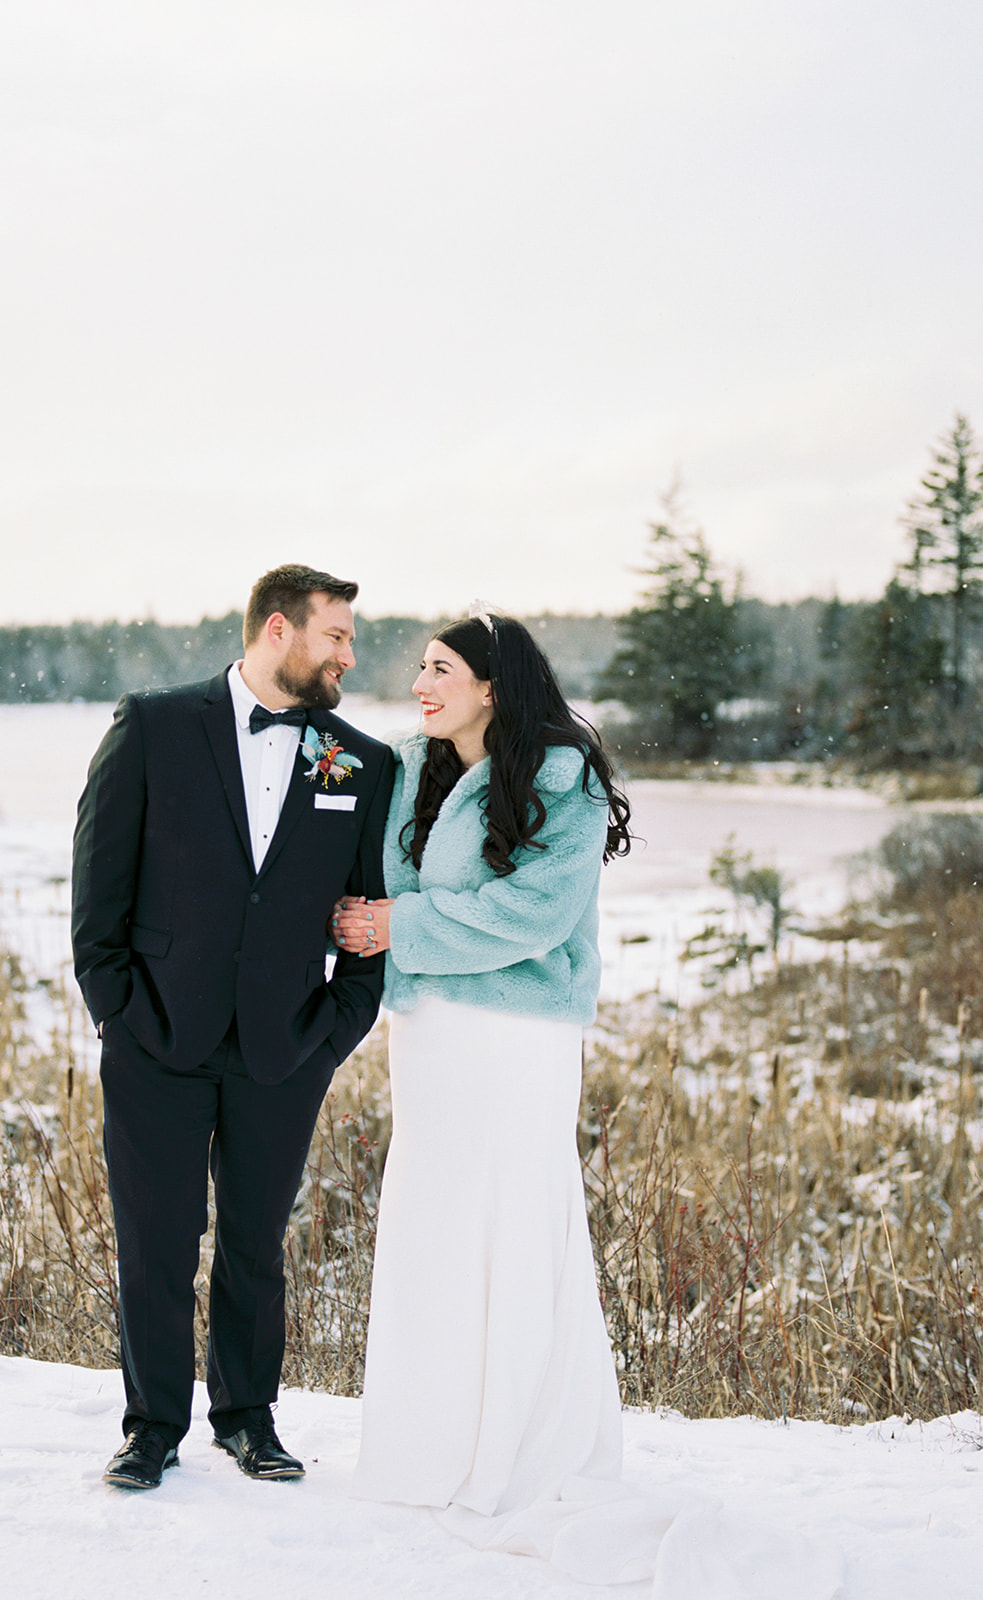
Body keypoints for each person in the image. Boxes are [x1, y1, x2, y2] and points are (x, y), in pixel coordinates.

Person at [333, 613, 843, 1596]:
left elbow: (534, 913)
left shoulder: (559, 778)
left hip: (517, 1038)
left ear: (492, 685)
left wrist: (406, 924)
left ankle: (520, 1444)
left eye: (440, 670)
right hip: (431, 1038)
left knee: (515, 1223)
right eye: (420, 670)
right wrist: (381, 924)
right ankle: (431, 1443)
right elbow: (390, 885)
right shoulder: (412, 769)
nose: (421, 683)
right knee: (434, 1226)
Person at [72, 563, 394, 1492]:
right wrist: (117, 1012)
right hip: (155, 1040)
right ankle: (151, 1428)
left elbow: (367, 909)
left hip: (283, 1047)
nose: (347, 654)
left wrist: (333, 1029)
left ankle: (248, 1419)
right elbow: (98, 885)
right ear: (278, 631)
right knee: (157, 1241)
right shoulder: (154, 724)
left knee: (255, 1243)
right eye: (335, 635)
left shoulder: (360, 762)